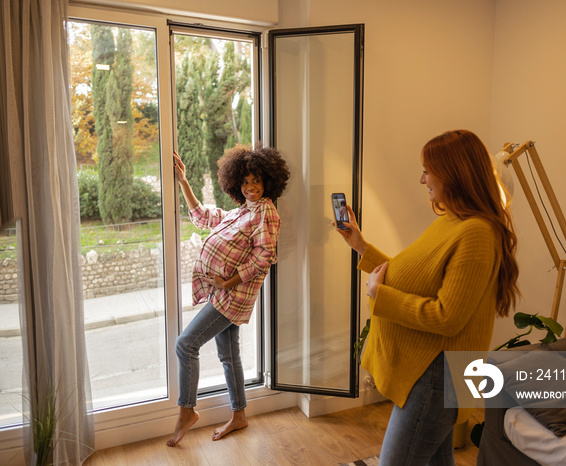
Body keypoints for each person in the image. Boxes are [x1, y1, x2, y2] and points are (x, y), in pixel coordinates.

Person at [335, 130, 519, 465]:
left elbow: (447, 316)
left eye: (427, 170)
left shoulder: (476, 232)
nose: (422, 179)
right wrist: (361, 246)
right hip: (434, 372)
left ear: (453, 173)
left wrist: (381, 296)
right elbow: (417, 277)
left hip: (438, 375)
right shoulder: (453, 221)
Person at [167, 144, 290, 447]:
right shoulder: (243, 211)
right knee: (229, 355)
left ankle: (186, 410)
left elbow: (265, 258)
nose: (250, 187)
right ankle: (239, 416)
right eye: (245, 182)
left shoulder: (267, 213)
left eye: (256, 181)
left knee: (186, 344)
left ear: (268, 182)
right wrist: (183, 182)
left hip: (232, 297)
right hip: (224, 294)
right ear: (237, 183)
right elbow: (203, 217)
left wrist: (227, 283)